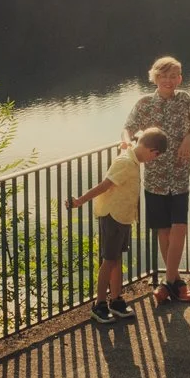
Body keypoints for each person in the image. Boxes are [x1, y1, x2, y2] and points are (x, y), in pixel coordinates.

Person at [122, 56, 190, 306]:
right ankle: (176, 282)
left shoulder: (185, 100)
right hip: (155, 177)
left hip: (180, 175)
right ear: (155, 78)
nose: (169, 81)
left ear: (180, 78)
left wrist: (188, 138)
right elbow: (128, 127)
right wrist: (127, 142)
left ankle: (167, 282)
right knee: (165, 231)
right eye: (163, 76)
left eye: (174, 76)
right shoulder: (145, 103)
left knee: (179, 226)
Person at [66, 127, 168, 324]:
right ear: (152, 151)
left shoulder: (132, 153)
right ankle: (100, 304)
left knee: (116, 259)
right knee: (109, 260)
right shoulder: (126, 162)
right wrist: (79, 201)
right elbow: (105, 185)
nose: (152, 161)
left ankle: (116, 299)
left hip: (123, 217)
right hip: (112, 216)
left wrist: (126, 140)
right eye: (155, 157)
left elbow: (126, 134)